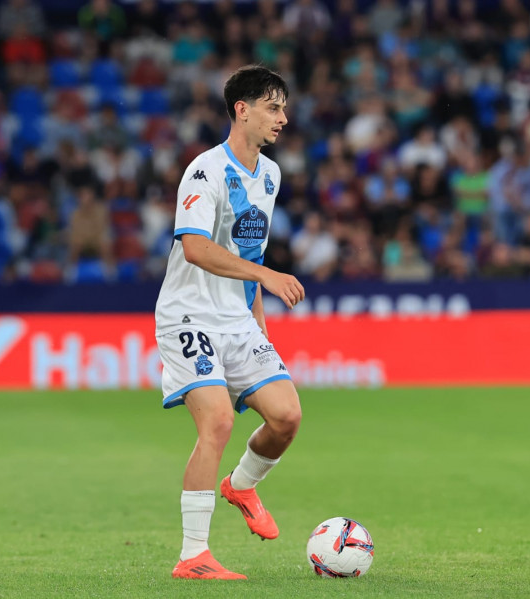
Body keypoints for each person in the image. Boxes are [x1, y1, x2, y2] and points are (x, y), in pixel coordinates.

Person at [154, 65, 305, 580]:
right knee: (217, 420)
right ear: (242, 110)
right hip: (188, 315)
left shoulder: (270, 174)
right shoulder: (205, 171)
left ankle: (242, 485)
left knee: (286, 416)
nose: (283, 118)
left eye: (283, 107)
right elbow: (195, 248)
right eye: (273, 107)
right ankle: (193, 555)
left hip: (237, 317)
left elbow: (247, 249)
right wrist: (267, 275)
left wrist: (258, 322)